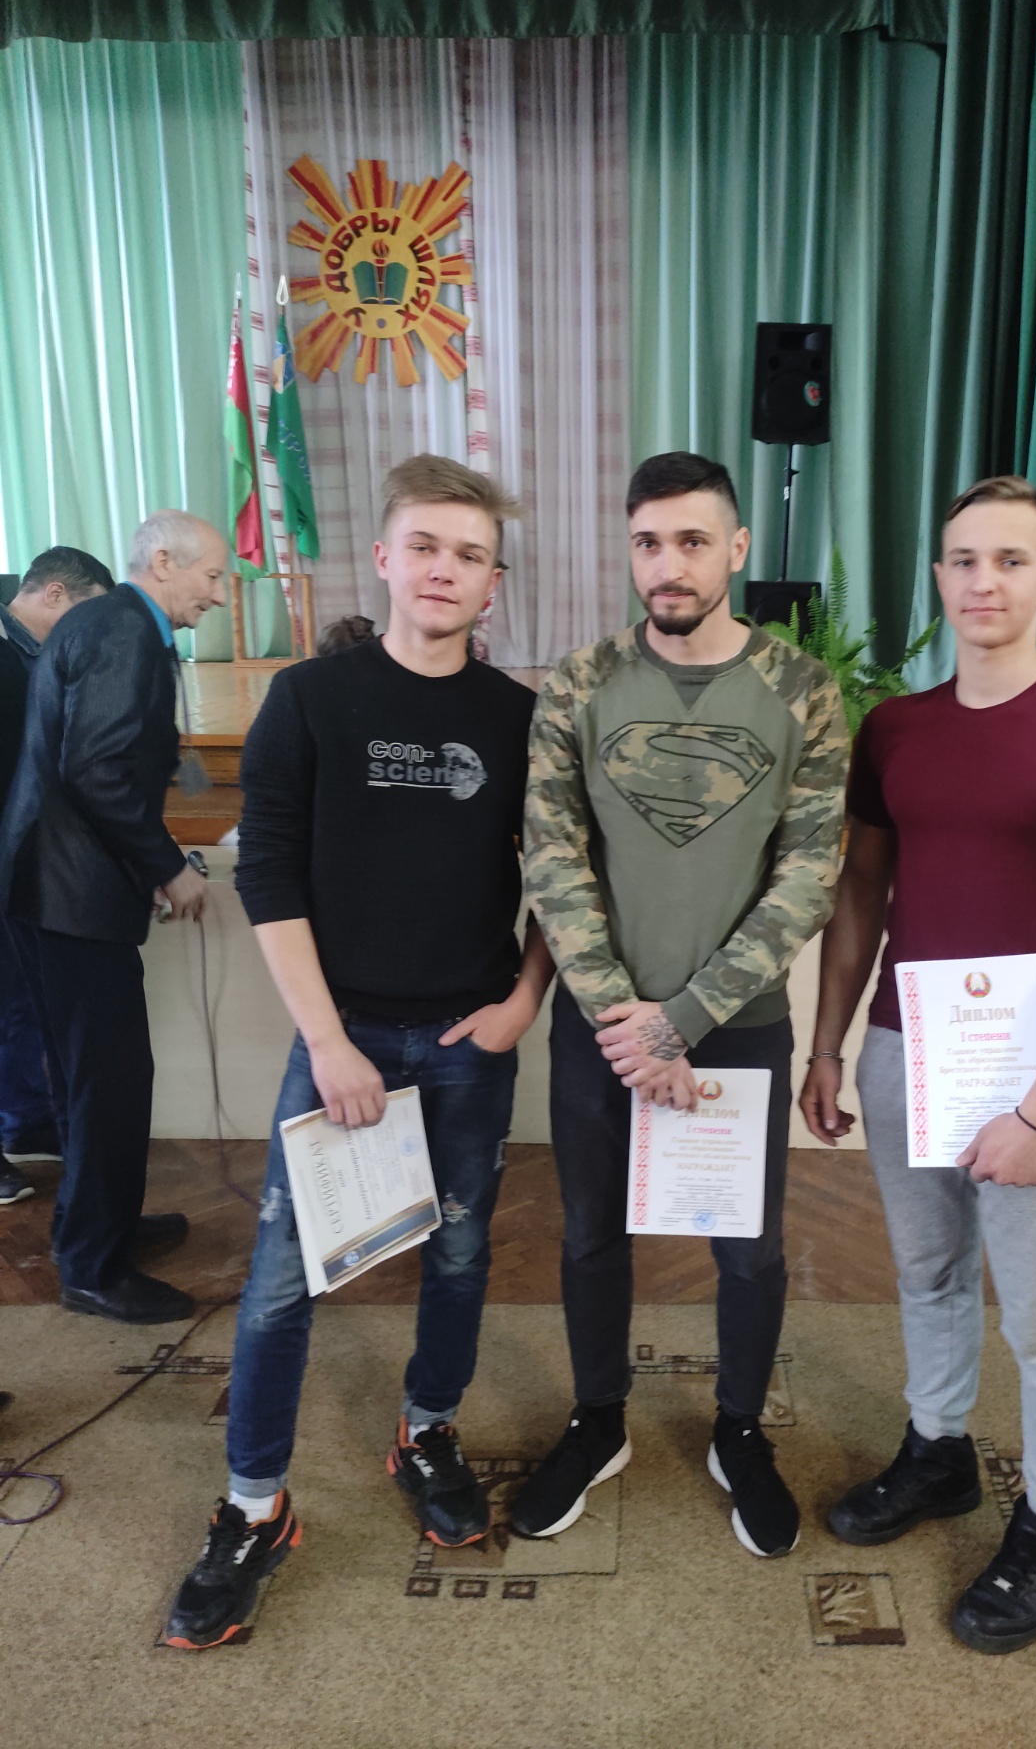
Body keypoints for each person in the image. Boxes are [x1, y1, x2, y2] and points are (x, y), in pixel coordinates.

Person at [164, 455, 551, 1651]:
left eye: (469, 555)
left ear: (492, 584)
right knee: (282, 1283)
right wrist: (328, 1041)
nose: (443, 569)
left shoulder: (518, 720)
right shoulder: (309, 700)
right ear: (384, 559)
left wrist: (524, 1001)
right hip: (343, 1041)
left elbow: (562, 880)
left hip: (470, 1038)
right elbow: (269, 876)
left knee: (459, 1252)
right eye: (423, 546)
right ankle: (252, 1508)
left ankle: (426, 1431)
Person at [800, 475, 1036, 1654]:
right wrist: (828, 1042)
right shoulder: (894, 732)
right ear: (937, 577)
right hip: (904, 1047)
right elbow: (860, 896)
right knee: (926, 1275)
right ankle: (937, 1452)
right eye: (962, 560)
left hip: (1029, 1067)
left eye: (1009, 561)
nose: (982, 582)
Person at [518, 451, 847, 1559]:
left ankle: (739, 1430)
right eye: (648, 542)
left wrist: (686, 1019)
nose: (669, 564)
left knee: (746, 1250)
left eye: (693, 541)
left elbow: (809, 875)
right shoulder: (579, 684)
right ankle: (597, 1419)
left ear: (736, 549)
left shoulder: (802, 690)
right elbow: (551, 857)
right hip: (602, 1033)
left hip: (738, 1031)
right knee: (589, 1235)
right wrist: (627, 1019)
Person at [0, 513, 226, 1320]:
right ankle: (95, 1267)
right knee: (109, 1082)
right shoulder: (124, 629)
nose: (219, 596)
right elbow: (96, 770)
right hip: (70, 898)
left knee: (90, 1078)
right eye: (212, 577)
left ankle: (100, 1228)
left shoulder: (106, 623)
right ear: (163, 562)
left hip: (54, 889)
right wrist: (167, 867)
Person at [0, 548, 114, 1205]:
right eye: (86, 614)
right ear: (54, 595)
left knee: (20, 1000)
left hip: (23, 861)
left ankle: (24, 1120)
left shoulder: (35, 656)